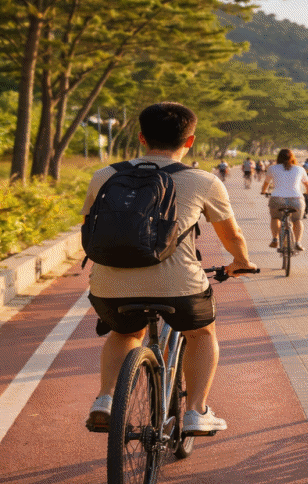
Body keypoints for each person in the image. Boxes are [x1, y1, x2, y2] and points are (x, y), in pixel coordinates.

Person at [83, 102, 256, 434]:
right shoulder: (203, 181)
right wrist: (242, 263)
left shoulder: (104, 176)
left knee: (124, 332)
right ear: (189, 141)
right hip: (179, 286)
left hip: (109, 286)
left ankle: (104, 399)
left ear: (142, 138)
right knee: (201, 333)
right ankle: (195, 412)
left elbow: (89, 228)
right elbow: (231, 235)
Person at [261, 148, 308, 251]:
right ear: (292, 157)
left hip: (277, 199)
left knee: (275, 218)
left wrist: (264, 191)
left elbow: (266, 183)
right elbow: (307, 185)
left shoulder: (272, 168)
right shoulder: (300, 169)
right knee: (297, 220)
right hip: (296, 199)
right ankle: (298, 242)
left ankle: (275, 239)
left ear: (278, 157)